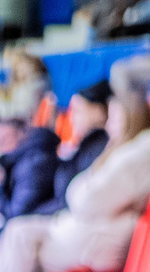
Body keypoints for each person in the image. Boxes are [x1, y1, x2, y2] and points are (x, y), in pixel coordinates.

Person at [0, 91, 150, 272]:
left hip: (104, 238)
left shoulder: (136, 157)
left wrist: (79, 190)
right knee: (18, 232)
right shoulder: (118, 151)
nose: (109, 124)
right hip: (94, 228)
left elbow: (87, 201)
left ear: (129, 120)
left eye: (114, 118)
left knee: (20, 238)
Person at [0, 114, 64, 272]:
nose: (1, 147)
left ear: (22, 134)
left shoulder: (34, 161)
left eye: (5, 139)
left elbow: (16, 214)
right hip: (31, 219)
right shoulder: (21, 158)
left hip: (40, 222)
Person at [43, 81, 115, 213]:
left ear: (99, 112)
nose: (71, 119)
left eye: (77, 112)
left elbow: (71, 202)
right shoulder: (87, 146)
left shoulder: (100, 149)